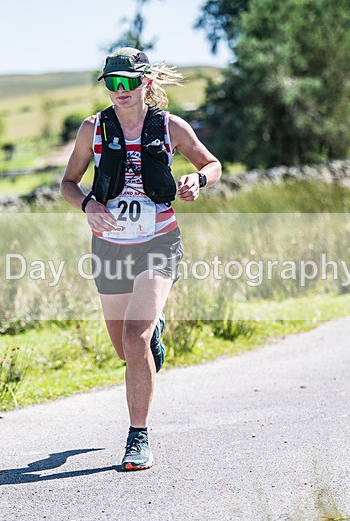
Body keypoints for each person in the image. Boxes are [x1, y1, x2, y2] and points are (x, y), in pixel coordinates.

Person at [60, 48, 221, 471]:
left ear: (146, 83)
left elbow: (212, 163)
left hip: (158, 241)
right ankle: (154, 333)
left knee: (134, 336)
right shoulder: (93, 129)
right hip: (111, 247)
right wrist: (86, 206)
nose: (119, 91)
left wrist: (198, 180)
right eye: (112, 83)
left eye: (127, 82)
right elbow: (69, 183)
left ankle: (138, 437)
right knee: (124, 349)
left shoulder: (169, 127)